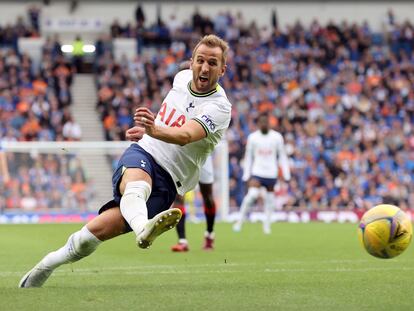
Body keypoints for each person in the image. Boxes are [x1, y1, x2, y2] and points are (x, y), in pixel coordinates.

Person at [19, 34, 231, 288]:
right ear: (191, 62)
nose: (205, 67)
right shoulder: (181, 78)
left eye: (212, 63)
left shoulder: (220, 107)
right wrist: (150, 133)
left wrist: (155, 130)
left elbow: (186, 135)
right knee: (136, 185)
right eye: (200, 60)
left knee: (91, 236)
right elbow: (170, 120)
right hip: (145, 152)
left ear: (222, 69)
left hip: (170, 182)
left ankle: (47, 264)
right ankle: (144, 228)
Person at [233, 113, 290, 234]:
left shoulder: (277, 137)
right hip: (257, 172)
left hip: (271, 173)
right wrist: (246, 174)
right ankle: (239, 221)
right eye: (261, 122)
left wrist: (286, 173)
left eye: (266, 122)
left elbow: (282, 156)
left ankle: (267, 225)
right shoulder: (253, 138)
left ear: (269, 124)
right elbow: (249, 157)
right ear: (259, 124)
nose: (264, 124)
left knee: (269, 200)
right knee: (252, 195)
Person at [170, 155, 216, 252]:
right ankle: (182, 241)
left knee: (208, 198)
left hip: (203, 156)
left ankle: (209, 233)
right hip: (183, 156)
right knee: (179, 196)